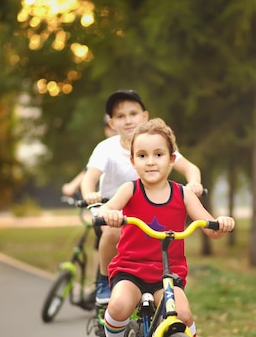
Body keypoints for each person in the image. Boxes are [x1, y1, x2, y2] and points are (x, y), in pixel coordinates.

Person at [95, 118, 235, 337]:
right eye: (142, 155)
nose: (150, 161)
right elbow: (105, 209)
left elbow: (210, 227)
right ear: (133, 161)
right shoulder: (130, 190)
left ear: (171, 159)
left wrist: (221, 223)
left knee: (183, 316)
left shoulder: (183, 194)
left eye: (158, 155)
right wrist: (109, 214)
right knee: (120, 305)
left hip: (167, 274)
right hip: (130, 269)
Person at [81, 90, 204, 305]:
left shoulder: (157, 143)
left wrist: (194, 182)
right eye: (120, 116)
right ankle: (103, 278)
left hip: (146, 209)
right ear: (111, 123)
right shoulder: (106, 148)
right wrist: (90, 194)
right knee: (111, 231)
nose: (128, 120)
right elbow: (89, 177)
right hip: (114, 208)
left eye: (133, 113)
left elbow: (189, 167)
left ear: (144, 116)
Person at [61, 115, 117, 198]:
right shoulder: (105, 148)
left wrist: (72, 186)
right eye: (110, 127)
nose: (114, 131)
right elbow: (90, 171)